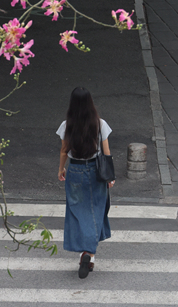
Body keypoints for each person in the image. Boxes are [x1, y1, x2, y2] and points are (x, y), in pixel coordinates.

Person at [57, 87, 114, 279]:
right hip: (96, 172)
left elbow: (64, 151)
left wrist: (61, 169)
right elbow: (106, 152)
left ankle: (86, 252)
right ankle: (89, 254)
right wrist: (110, 176)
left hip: (75, 171)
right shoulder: (100, 124)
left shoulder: (67, 125)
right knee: (96, 210)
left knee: (77, 211)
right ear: (91, 102)